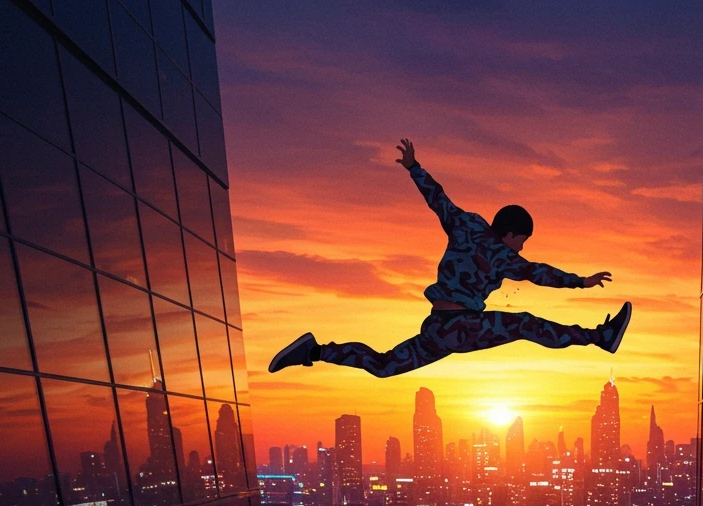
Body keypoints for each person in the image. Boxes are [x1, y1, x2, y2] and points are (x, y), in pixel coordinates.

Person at [269, 138, 632, 377]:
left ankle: (314, 351)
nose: (521, 248)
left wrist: (414, 167)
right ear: (510, 234)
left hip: (437, 329)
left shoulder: (464, 224)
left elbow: (438, 200)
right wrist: (581, 281)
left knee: (382, 366)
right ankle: (601, 337)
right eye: (521, 241)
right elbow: (538, 273)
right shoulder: (504, 255)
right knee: (524, 323)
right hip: (462, 327)